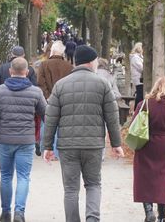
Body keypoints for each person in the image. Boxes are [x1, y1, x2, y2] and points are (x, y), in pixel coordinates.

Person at [43, 45, 124, 222]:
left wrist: (47, 146)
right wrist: (116, 144)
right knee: (93, 184)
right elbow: (112, 116)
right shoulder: (102, 84)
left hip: (67, 146)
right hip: (93, 145)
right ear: (91, 62)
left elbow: (51, 118)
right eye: (95, 60)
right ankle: (92, 219)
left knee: (71, 189)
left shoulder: (60, 85)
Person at [0, 57, 47, 222]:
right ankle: (19, 213)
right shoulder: (36, 92)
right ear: (27, 72)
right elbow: (47, 116)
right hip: (26, 141)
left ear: (10, 72)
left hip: (5, 141)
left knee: (6, 176)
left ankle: (6, 213)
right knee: (24, 176)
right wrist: (50, 142)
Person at [132, 77, 165, 222]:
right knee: (162, 181)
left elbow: (134, 123)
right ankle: (161, 217)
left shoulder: (144, 104)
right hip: (164, 146)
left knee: (144, 179)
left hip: (145, 143)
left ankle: (148, 211)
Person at [36, 40, 74, 159]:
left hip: (48, 99)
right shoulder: (69, 66)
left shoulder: (44, 65)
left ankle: (45, 149)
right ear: (63, 53)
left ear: (52, 51)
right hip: (64, 99)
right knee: (62, 126)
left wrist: (47, 96)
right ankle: (58, 152)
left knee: (46, 124)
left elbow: (40, 83)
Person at [130, 42, 144, 108]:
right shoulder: (135, 58)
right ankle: (137, 109)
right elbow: (141, 68)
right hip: (138, 79)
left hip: (140, 79)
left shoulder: (140, 57)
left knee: (140, 94)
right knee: (140, 95)